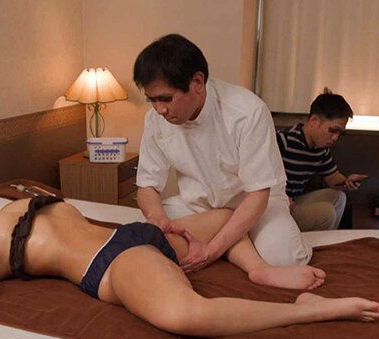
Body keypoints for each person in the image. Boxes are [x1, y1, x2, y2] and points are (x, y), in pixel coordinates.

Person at [0, 196, 379, 338]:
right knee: (186, 315)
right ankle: (305, 310)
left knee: (227, 216)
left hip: (130, 235)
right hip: (110, 263)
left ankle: (258, 270)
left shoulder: (8, 205)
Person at [132, 34, 311, 273]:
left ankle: (251, 237)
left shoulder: (247, 112)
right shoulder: (155, 119)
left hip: (256, 205)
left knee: (284, 259)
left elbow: (258, 195)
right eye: (152, 100)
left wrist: (211, 251)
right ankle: (236, 243)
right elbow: (147, 185)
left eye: (166, 99)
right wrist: (157, 217)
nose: (160, 109)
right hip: (198, 206)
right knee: (144, 242)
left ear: (198, 82)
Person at [278, 88, 367, 231]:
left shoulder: (321, 148)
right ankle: (318, 242)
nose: (335, 137)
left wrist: (347, 182)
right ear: (314, 121)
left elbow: (332, 178)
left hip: (294, 203)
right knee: (327, 212)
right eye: (333, 130)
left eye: (340, 133)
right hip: (276, 207)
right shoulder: (283, 141)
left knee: (339, 197)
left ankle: (325, 239)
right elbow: (257, 176)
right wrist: (279, 197)